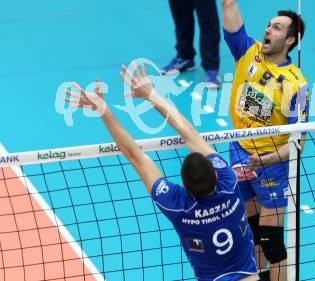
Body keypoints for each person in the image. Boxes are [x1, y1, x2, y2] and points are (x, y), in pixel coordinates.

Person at [65, 61, 258, 281]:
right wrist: (152, 94)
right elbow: (191, 134)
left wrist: (103, 110)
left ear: (184, 187)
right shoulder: (229, 182)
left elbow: (135, 156)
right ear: (215, 174)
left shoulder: (177, 204)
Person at [221, 0, 310, 281]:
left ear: (290, 40)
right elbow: (228, 0)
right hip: (239, 151)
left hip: (272, 162)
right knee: (248, 237)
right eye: (269, 24)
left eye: (277, 27)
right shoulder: (247, 52)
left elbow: (298, 142)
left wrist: (267, 157)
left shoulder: (296, 84)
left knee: (271, 242)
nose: (268, 29)